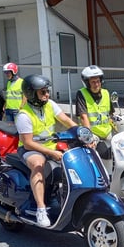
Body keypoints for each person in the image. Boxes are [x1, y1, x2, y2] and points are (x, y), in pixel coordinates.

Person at [15, 74, 77, 227]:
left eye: (47, 91)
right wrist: (51, 153)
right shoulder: (24, 115)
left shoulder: (50, 104)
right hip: (30, 150)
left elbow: (66, 120)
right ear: (31, 93)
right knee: (38, 165)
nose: (47, 94)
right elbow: (28, 143)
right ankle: (41, 209)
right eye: (43, 92)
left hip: (50, 146)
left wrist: (82, 133)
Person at [75, 65, 114, 161]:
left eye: (98, 81)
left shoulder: (106, 93)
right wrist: (89, 138)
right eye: (93, 82)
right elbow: (83, 117)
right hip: (93, 133)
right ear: (87, 83)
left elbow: (110, 115)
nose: (96, 84)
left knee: (118, 152)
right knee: (94, 155)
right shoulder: (81, 94)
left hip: (107, 133)